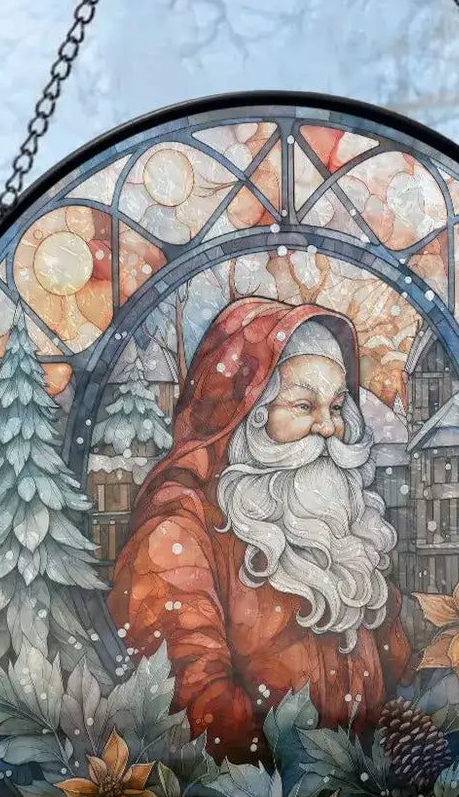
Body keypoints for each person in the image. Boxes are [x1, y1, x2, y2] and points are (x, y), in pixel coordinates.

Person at [108, 296, 413, 762]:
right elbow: (195, 706)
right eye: (305, 406)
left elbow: (396, 669)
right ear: (248, 416)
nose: (329, 429)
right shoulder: (179, 532)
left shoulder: (339, 520)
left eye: (335, 407)